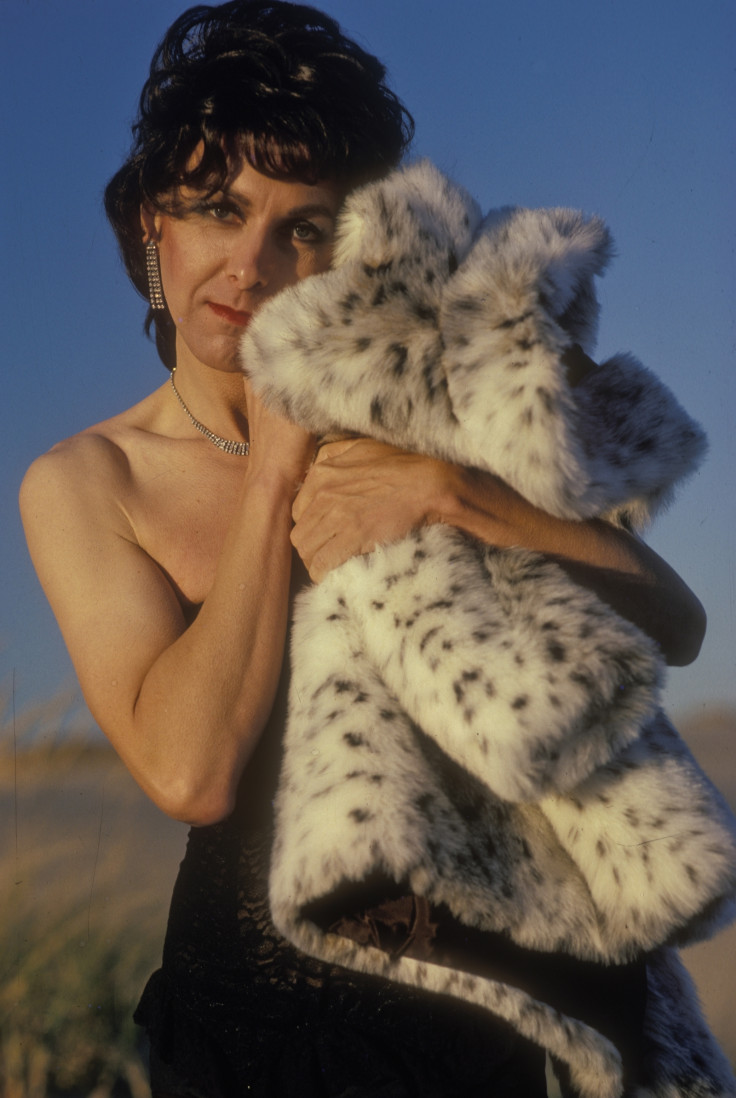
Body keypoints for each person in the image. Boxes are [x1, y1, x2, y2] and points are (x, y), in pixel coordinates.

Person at [19, 2, 707, 1094]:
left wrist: (448, 491)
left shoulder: (414, 425)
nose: (248, 264)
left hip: (514, 998)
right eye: (215, 208)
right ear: (156, 220)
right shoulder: (93, 482)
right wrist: (277, 470)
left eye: (302, 229)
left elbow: (675, 623)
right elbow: (189, 773)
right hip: (275, 1024)